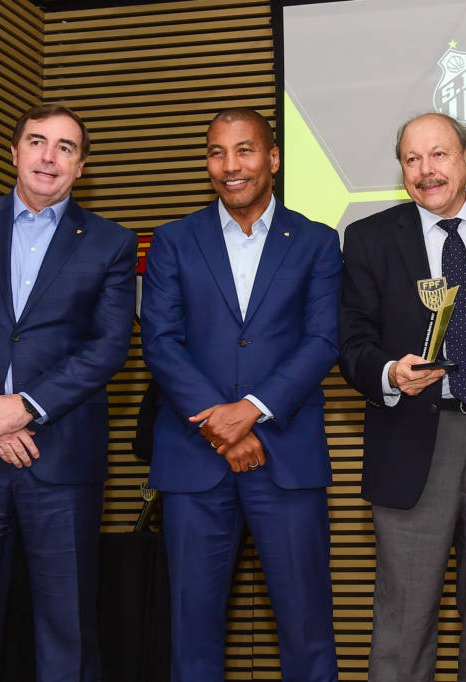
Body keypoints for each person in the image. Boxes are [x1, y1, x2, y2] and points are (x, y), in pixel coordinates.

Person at [339, 112, 466, 681]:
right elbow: (350, 341)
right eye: (412, 159)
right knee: (403, 622)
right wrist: (388, 373)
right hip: (412, 440)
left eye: (439, 155)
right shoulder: (370, 238)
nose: (426, 170)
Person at [140, 108, 341, 682]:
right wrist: (220, 427)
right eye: (216, 152)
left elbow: (323, 340)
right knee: (192, 634)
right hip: (193, 461)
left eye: (245, 150)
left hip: (287, 457)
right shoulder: (173, 241)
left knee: (307, 631)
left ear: (273, 158)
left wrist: (251, 411)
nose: (230, 165)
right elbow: (160, 341)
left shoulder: (317, 241)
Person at [0, 104, 137, 681]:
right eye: (37, 142)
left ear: (81, 167)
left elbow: (108, 347)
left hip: (62, 461)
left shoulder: (111, 243)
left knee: (67, 632)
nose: (49, 157)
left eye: (65, 147)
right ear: (14, 153)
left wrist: (24, 408)